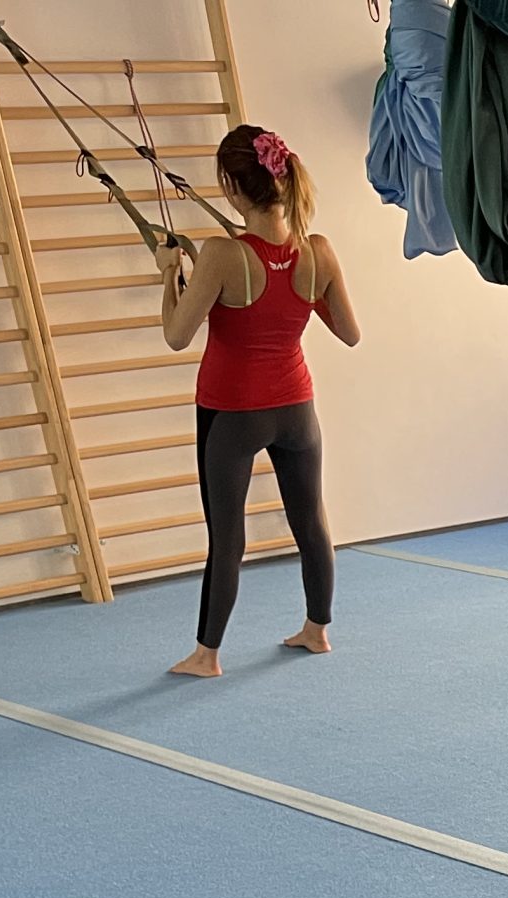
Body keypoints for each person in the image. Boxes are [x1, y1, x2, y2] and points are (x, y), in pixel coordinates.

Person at [156, 125, 361, 679]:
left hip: (232, 414)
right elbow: (349, 332)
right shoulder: (317, 251)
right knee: (312, 523)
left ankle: (206, 655)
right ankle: (317, 631)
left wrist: (169, 274)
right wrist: (303, 291)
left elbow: (177, 334)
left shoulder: (222, 255)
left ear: (231, 187)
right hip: (296, 410)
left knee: (227, 539)